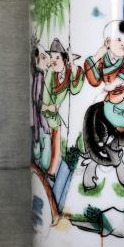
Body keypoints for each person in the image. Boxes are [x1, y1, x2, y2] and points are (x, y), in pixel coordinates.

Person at [84, 20, 124, 136]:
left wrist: (113, 85)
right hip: (112, 94)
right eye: (119, 40)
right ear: (108, 41)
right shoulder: (104, 59)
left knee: (109, 110)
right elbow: (95, 81)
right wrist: (97, 55)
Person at [42, 39, 84, 180]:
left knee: (57, 139)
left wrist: (72, 63)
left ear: (65, 59)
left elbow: (75, 89)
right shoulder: (50, 73)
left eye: (57, 57)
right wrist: (49, 107)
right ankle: (50, 171)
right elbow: (45, 97)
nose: (53, 61)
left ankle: (52, 172)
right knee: (53, 139)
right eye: (51, 57)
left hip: (55, 115)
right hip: (47, 112)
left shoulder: (68, 73)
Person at [31, 41, 51, 171]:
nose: (47, 60)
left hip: (39, 120)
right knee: (44, 139)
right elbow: (37, 101)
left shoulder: (40, 76)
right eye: (43, 57)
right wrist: (48, 107)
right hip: (40, 119)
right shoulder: (38, 76)